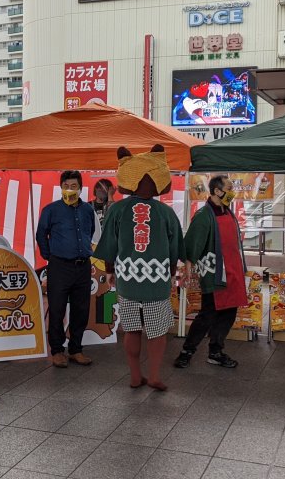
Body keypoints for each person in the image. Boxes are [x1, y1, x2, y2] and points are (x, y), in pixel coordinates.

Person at [94, 145, 182, 391]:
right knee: (156, 332)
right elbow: (175, 246)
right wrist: (173, 272)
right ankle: (154, 376)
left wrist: (110, 270)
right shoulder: (165, 212)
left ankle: (135, 376)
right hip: (157, 280)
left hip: (128, 279)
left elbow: (109, 244)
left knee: (131, 329)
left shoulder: (117, 210)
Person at [176, 175, 248, 369]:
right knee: (207, 315)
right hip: (215, 273)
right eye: (230, 187)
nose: (233, 191)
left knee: (228, 313)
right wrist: (188, 265)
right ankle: (186, 351)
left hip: (232, 272)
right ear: (217, 191)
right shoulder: (203, 215)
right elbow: (193, 244)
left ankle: (216, 351)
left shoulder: (228, 212)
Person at [37, 170, 97, 368]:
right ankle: (57, 351)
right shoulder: (51, 210)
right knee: (56, 308)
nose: (70, 190)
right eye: (66, 186)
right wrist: (50, 256)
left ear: (80, 188)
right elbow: (41, 235)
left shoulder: (88, 210)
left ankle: (76, 349)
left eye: (73, 187)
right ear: (61, 187)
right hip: (59, 266)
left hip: (83, 266)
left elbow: (91, 231)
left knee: (81, 309)